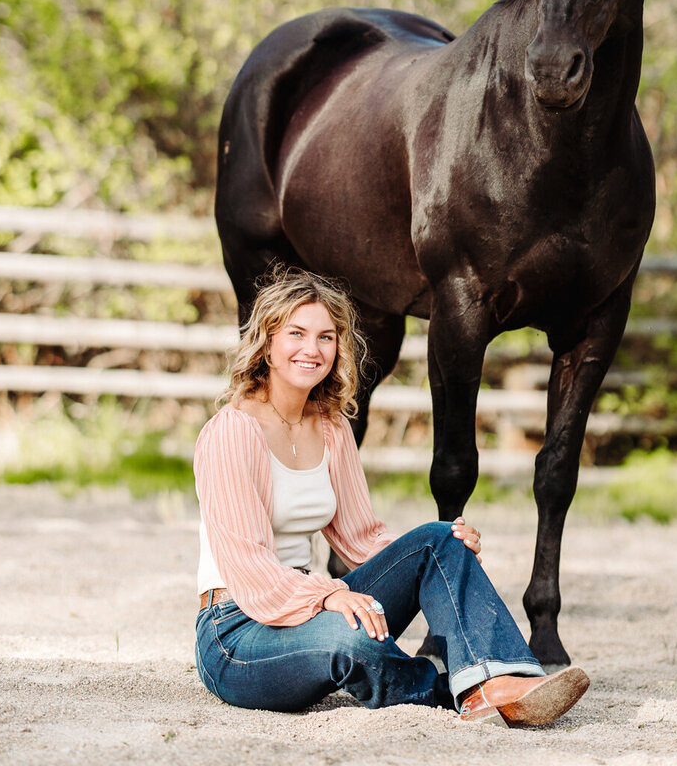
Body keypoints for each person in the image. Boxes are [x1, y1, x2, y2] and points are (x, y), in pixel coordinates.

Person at [193, 267, 589, 726]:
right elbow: (250, 567)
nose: (312, 349)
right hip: (238, 631)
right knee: (350, 640)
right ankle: (460, 690)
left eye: (326, 337)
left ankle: (501, 680)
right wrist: (327, 597)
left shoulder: (331, 428)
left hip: (308, 606)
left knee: (440, 540)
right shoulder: (230, 432)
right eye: (295, 334)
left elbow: (363, 541)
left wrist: (446, 553)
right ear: (266, 343)